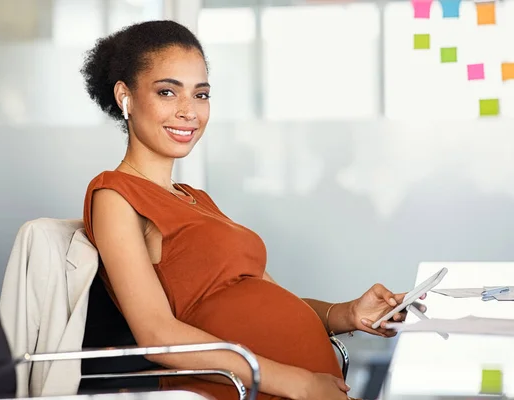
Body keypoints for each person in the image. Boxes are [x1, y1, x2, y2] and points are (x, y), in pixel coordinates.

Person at [80, 20, 418, 400]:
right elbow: (156, 335)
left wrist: (348, 313)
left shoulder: (195, 199)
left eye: (201, 95)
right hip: (241, 390)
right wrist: (301, 384)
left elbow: (270, 298)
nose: (189, 111)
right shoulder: (115, 194)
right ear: (125, 96)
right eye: (167, 92)